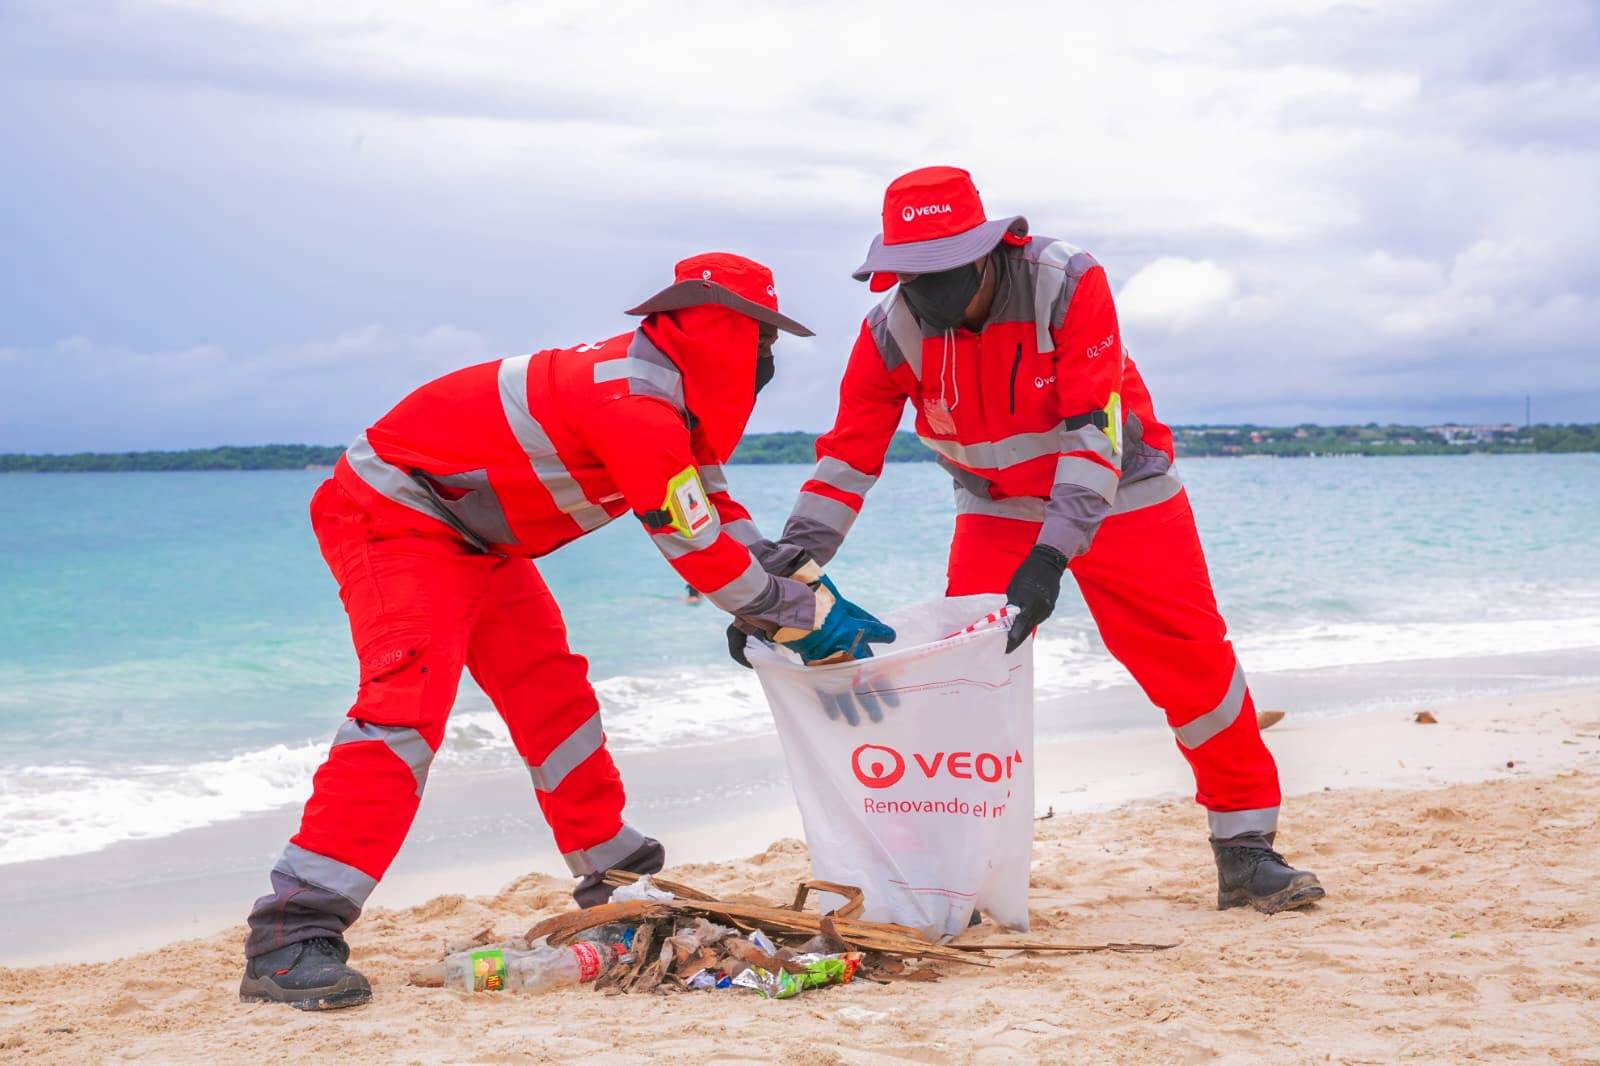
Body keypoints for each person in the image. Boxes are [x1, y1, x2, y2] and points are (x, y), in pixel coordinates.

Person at [241, 253, 895, 1010]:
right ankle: (291, 932)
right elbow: (694, 549)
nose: (769, 363)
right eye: (764, 345)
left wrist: (805, 590)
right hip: (396, 513)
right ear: (726, 337)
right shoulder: (636, 406)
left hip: (476, 535)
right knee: (404, 710)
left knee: (553, 694)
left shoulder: (669, 395)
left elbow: (718, 515)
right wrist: (791, 618)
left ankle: (613, 873)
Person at [733, 167, 1324, 916]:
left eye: (939, 271)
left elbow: (1092, 428)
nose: (922, 289)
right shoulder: (890, 332)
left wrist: (1052, 556)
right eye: (907, 274)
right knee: (957, 680)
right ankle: (949, 870)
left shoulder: (1066, 282)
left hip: (1121, 492)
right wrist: (780, 586)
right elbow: (846, 462)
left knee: (1191, 662)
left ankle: (1246, 852)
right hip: (996, 508)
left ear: (987, 251)